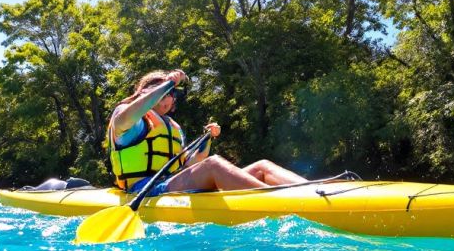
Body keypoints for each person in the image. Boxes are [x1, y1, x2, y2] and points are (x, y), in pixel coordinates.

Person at [107, 69, 309, 196]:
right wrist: (166, 83)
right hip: (144, 190)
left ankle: (318, 193)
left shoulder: (173, 127)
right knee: (213, 165)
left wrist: (207, 139)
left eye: (172, 94)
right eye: (168, 92)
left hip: (169, 185)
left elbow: (190, 164)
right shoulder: (130, 118)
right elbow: (126, 118)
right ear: (148, 93)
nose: (171, 98)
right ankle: (280, 203)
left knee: (262, 167)